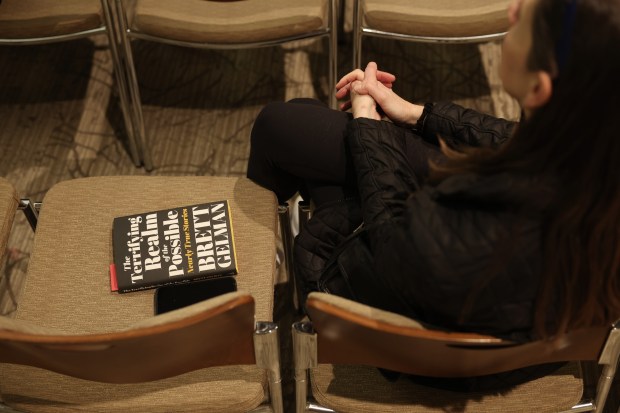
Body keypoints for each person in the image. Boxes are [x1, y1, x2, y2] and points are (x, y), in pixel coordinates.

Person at [247, 0, 620, 348]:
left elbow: (395, 239)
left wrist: (366, 119)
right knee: (306, 125)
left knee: (280, 125)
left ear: (539, 88)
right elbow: (517, 140)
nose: (511, 10)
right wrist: (414, 113)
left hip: (400, 330)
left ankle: (267, 234)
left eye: (525, 19)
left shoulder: (485, 229)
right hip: (490, 305)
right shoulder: (593, 145)